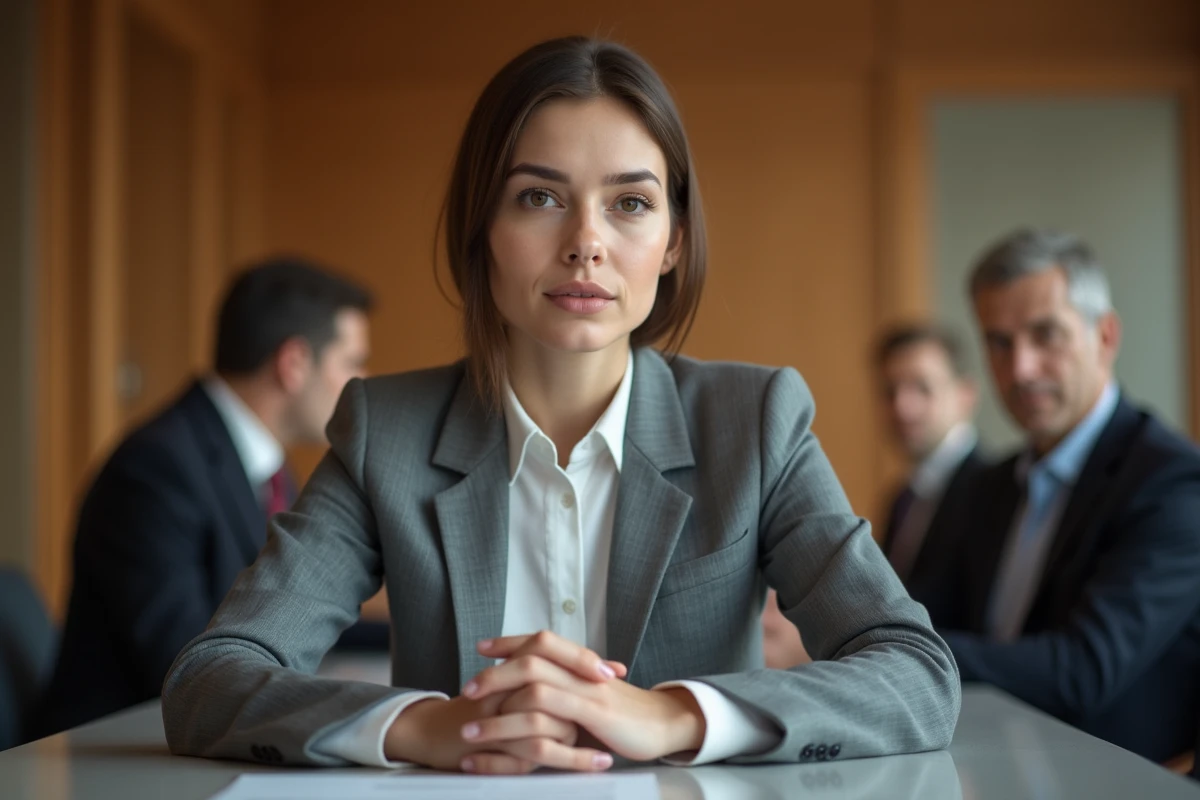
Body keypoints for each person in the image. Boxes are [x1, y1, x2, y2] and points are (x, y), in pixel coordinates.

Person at [162, 36, 959, 775]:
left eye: (630, 203)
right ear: (482, 225)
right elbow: (210, 677)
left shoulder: (753, 424)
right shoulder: (387, 432)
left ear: (675, 240)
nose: (586, 242)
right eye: (540, 197)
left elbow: (916, 672)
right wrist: (425, 726)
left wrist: (672, 715)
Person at [35, 257, 376, 737]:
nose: (362, 382)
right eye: (353, 363)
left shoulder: (268, 468)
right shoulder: (157, 467)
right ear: (294, 363)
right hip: (115, 750)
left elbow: (291, 611)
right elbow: (183, 662)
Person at [925, 228, 1200, 762]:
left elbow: (1081, 671)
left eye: (1045, 334)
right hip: (980, 765)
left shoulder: (1173, 484)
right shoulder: (986, 486)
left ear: (1106, 336)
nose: (1021, 369)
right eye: (999, 343)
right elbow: (923, 607)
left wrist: (903, 652)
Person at [875, 324, 986, 593]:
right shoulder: (902, 498)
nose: (902, 407)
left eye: (922, 388)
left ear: (966, 395)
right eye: (891, 391)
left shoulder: (992, 494)